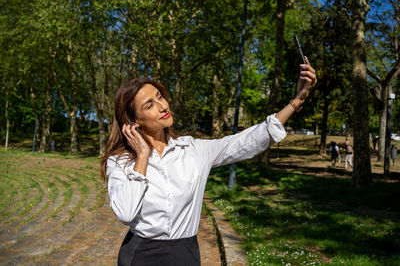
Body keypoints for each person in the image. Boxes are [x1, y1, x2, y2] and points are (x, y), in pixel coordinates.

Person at [100, 58, 317, 265]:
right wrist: (143, 157)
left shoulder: (194, 150)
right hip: (140, 256)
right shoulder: (119, 161)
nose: (163, 106)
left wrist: (297, 101)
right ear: (134, 121)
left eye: (160, 96)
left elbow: (247, 141)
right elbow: (125, 213)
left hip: (185, 254)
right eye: (149, 105)